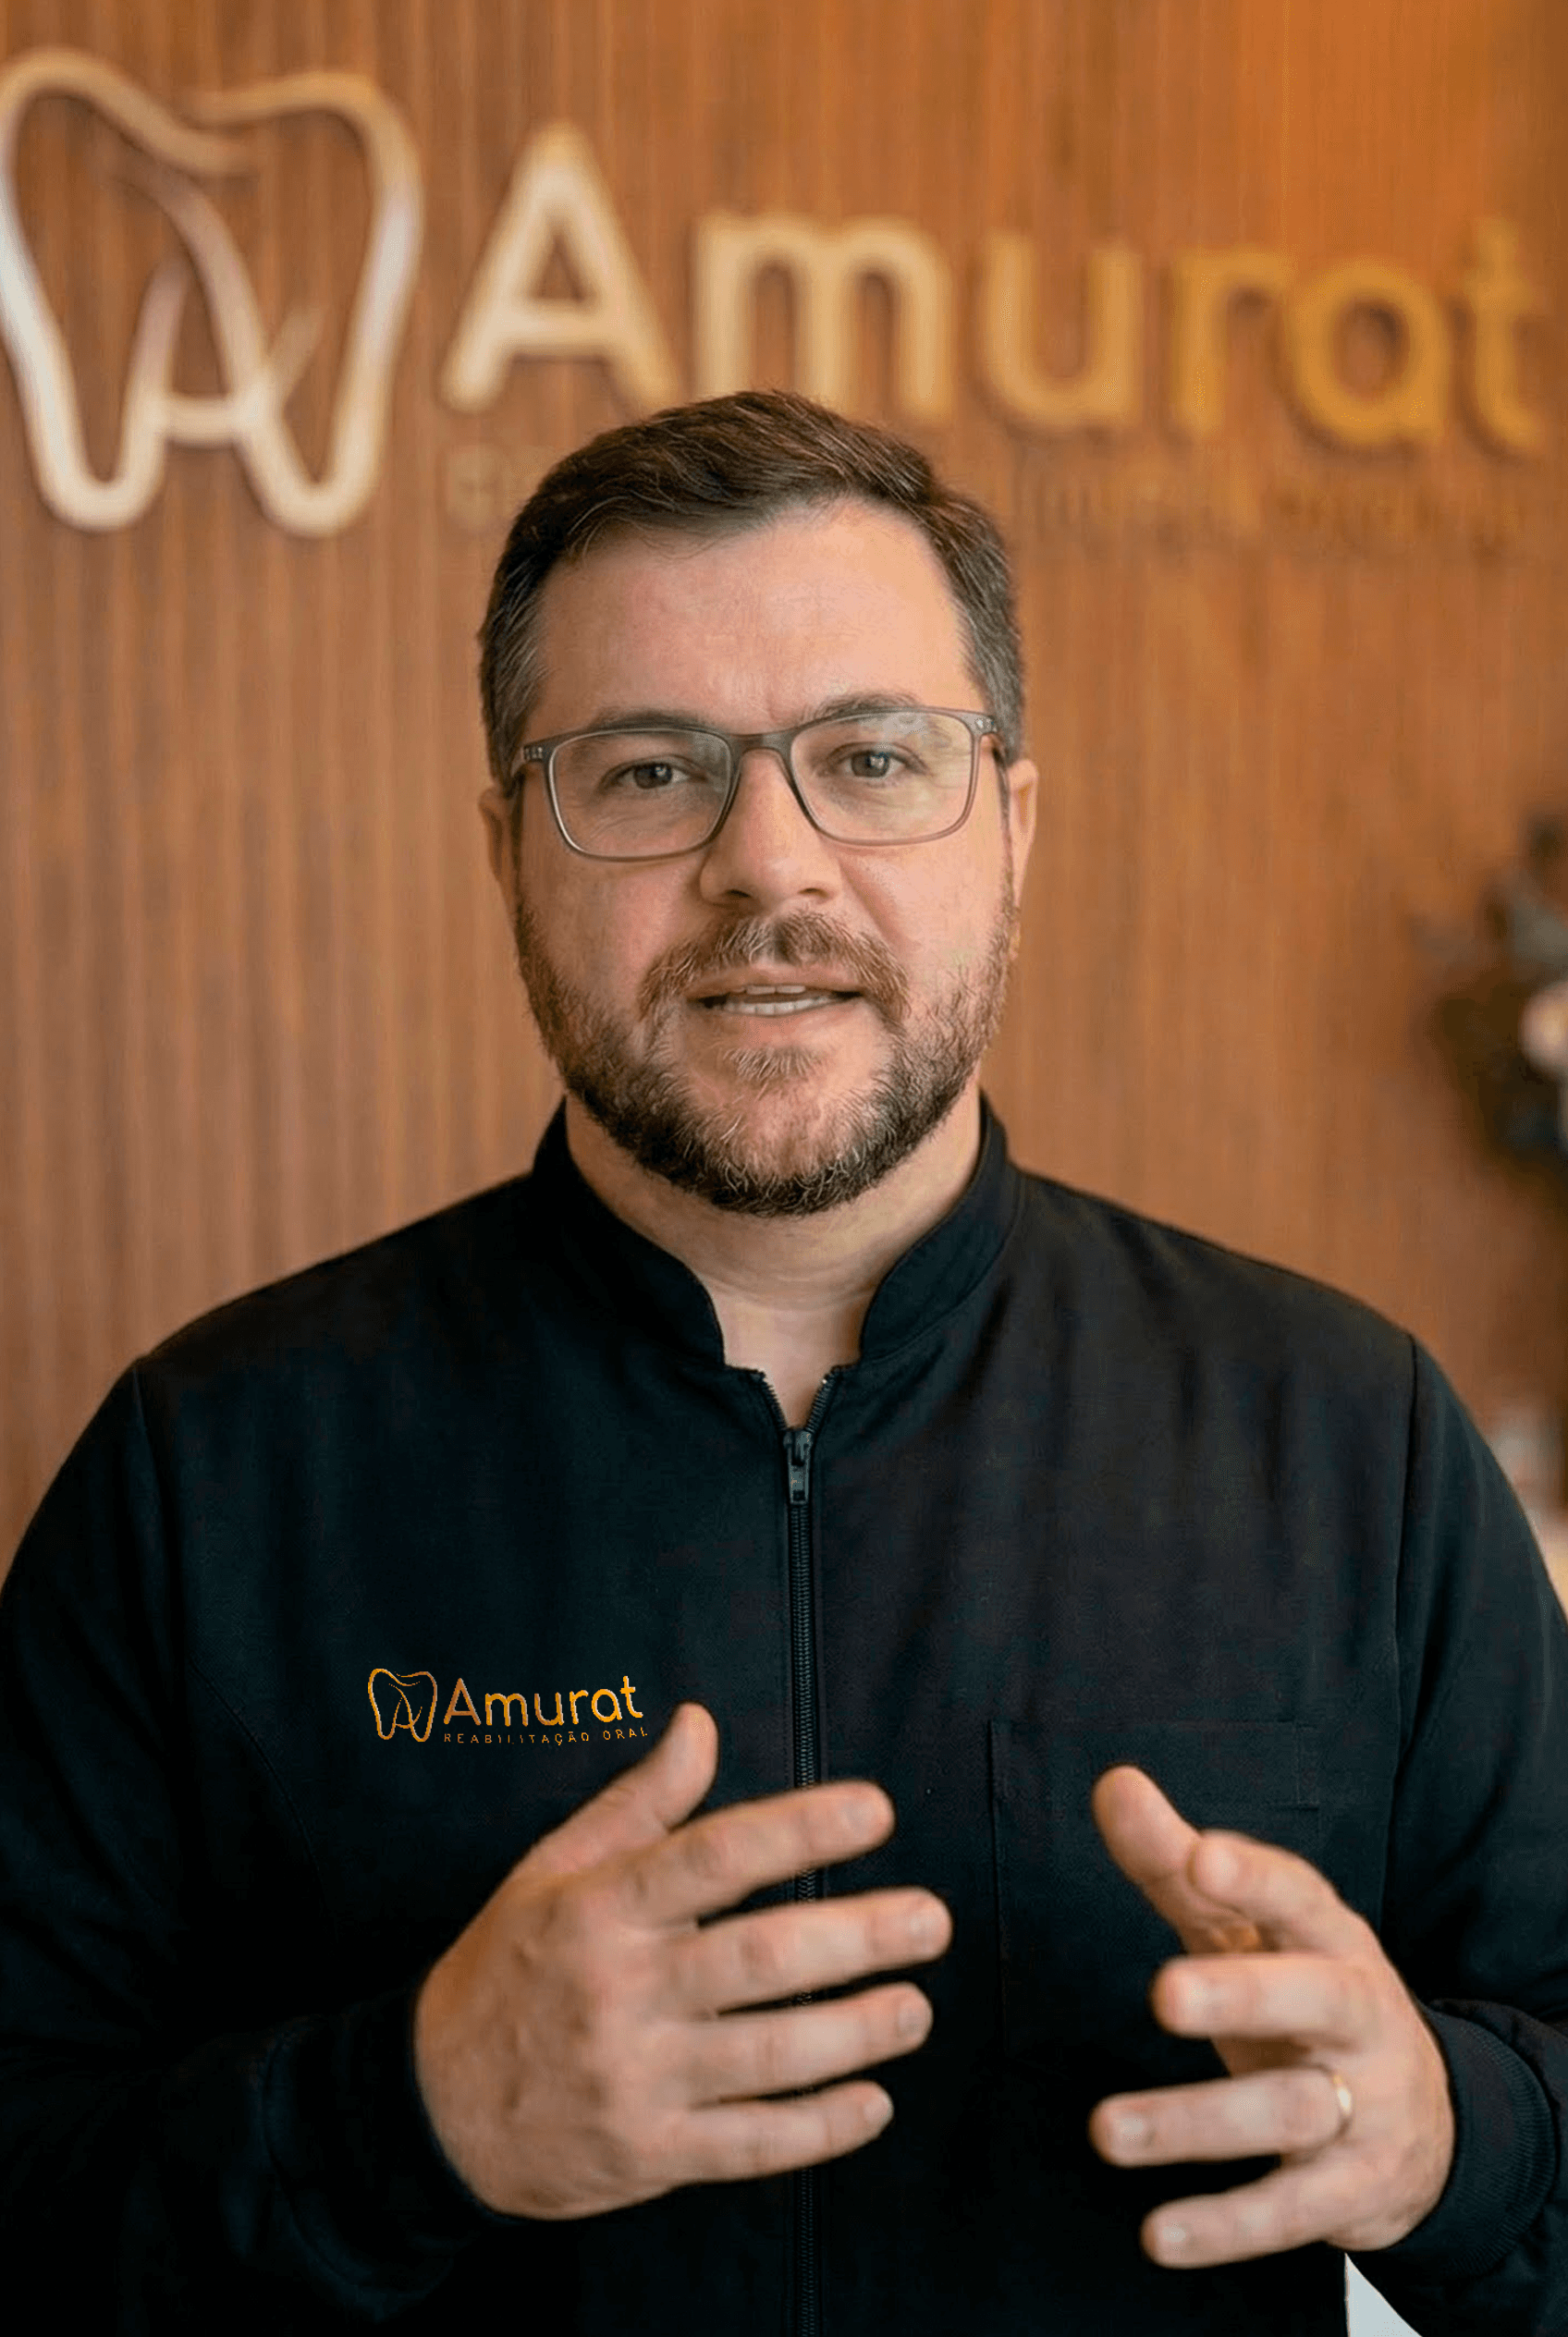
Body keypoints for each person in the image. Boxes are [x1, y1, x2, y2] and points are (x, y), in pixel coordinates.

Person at [0, 390, 1564, 2337]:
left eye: (871, 758)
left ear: (1012, 825)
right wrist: (412, 2116)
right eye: (650, 773)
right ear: (507, 848)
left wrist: (1447, 2136)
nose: (768, 865)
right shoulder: (206, 1476)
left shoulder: (1348, 1444)